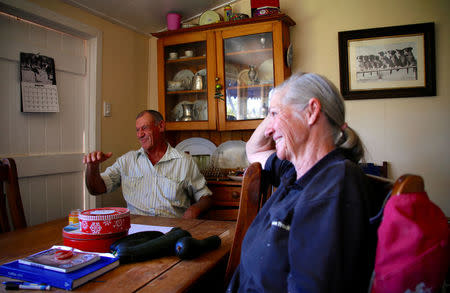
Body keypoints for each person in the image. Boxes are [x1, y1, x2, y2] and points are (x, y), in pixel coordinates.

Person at [227, 72, 374, 292]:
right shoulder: (295, 171)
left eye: (275, 114)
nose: (268, 129)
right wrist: (276, 105)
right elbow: (253, 149)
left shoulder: (334, 184)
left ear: (311, 111)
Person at [83, 110, 212, 219]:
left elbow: (205, 197)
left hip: (171, 231)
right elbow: (96, 189)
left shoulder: (184, 161)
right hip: (135, 231)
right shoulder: (127, 161)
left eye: (145, 128)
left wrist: (194, 209)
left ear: (161, 126)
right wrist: (92, 168)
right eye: (137, 130)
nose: (140, 134)